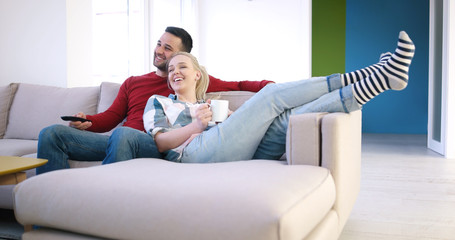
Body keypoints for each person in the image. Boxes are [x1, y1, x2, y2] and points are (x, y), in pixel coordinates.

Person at [143, 31, 415, 163]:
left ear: (197, 75)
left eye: (182, 67)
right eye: (170, 70)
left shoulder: (208, 104)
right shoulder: (159, 102)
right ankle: (376, 72)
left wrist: (236, 120)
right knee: (271, 95)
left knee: (288, 118)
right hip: (192, 156)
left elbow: (237, 95)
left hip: (229, 147)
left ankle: (380, 81)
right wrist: (196, 127)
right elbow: (161, 142)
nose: (174, 72)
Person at [36, 26, 273, 174]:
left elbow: (240, 85)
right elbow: (111, 118)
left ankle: (104, 205)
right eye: (159, 43)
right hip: (119, 141)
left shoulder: (187, 78)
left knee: (123, 134)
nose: (159, 50)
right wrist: (88, 121)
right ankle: (47, 210)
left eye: (168, 48)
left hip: (154, 142)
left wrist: (270, 87)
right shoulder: (133, 82)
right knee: (51, 133)